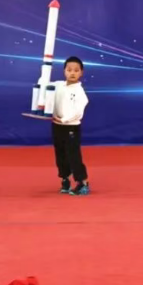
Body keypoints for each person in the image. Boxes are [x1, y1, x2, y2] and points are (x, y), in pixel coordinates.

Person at [52, 56, 91, 195]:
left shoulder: (80, 92)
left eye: (76, 70)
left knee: (73, 155)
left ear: (81, 73)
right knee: (60, 155)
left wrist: (64, 119)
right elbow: (43, 85)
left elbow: (78, 112)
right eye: (69, 70)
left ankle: (82, 182)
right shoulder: (57, 85)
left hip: (71, 127)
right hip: (56, 126)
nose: (72, 73)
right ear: (64, 71)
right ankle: (65, 179)